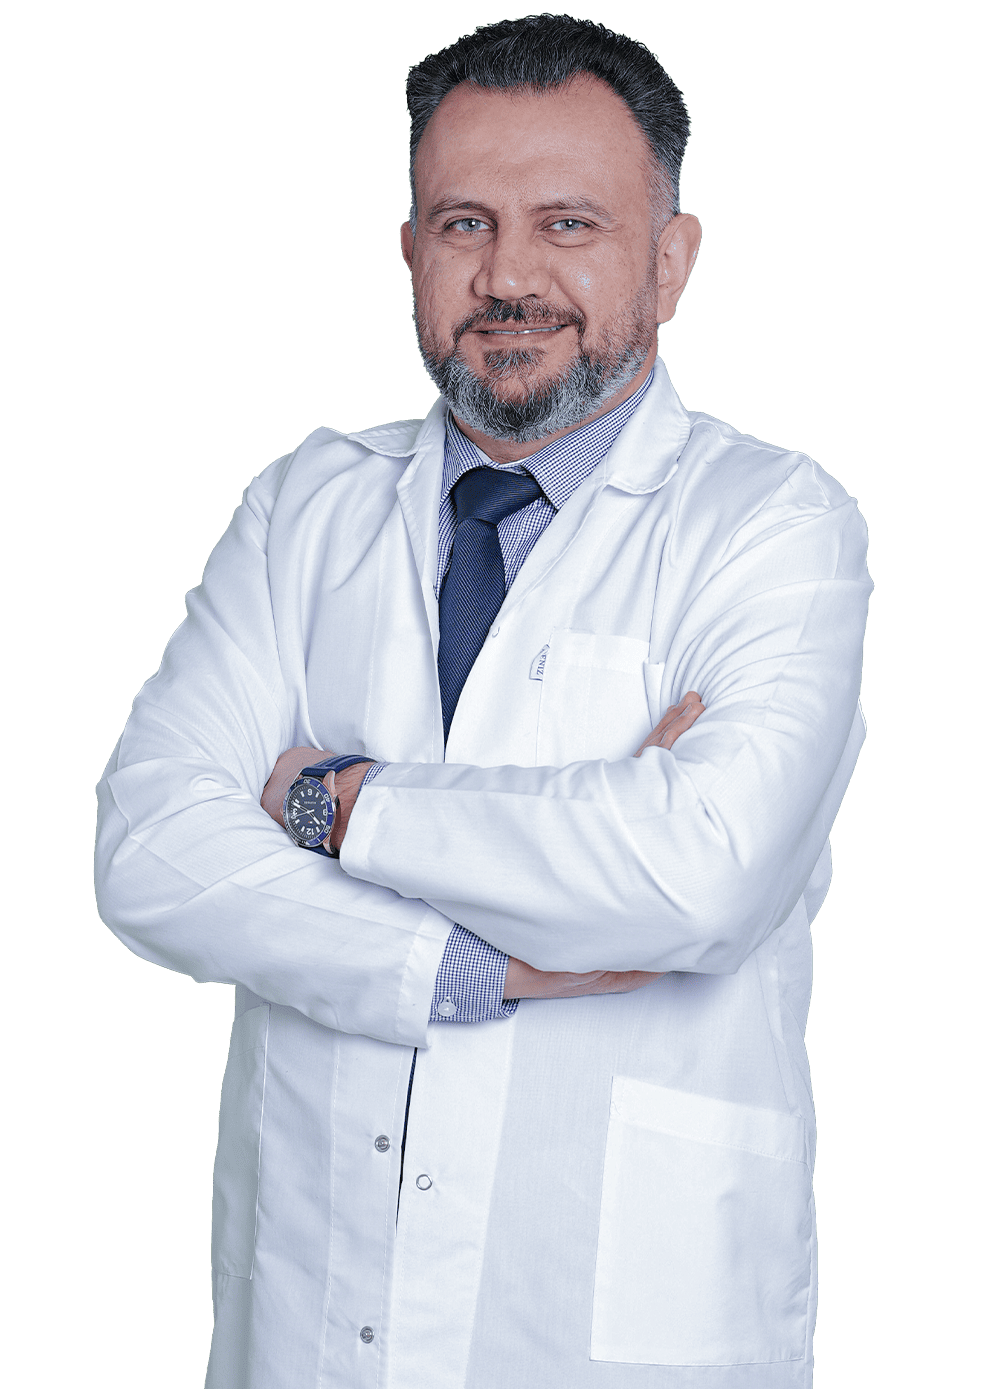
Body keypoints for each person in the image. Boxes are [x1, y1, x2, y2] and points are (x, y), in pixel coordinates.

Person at [94, 14, 871, 1388]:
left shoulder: (773, 525)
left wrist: (332, 804)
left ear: (670, 261)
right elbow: (149, 852)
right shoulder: (302, 511)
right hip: (312, 1324)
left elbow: (699, 871)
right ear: (413, 252)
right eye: (466, 224)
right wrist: (474, 962)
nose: (508, 275)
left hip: (622, 1332)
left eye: (569, 222)